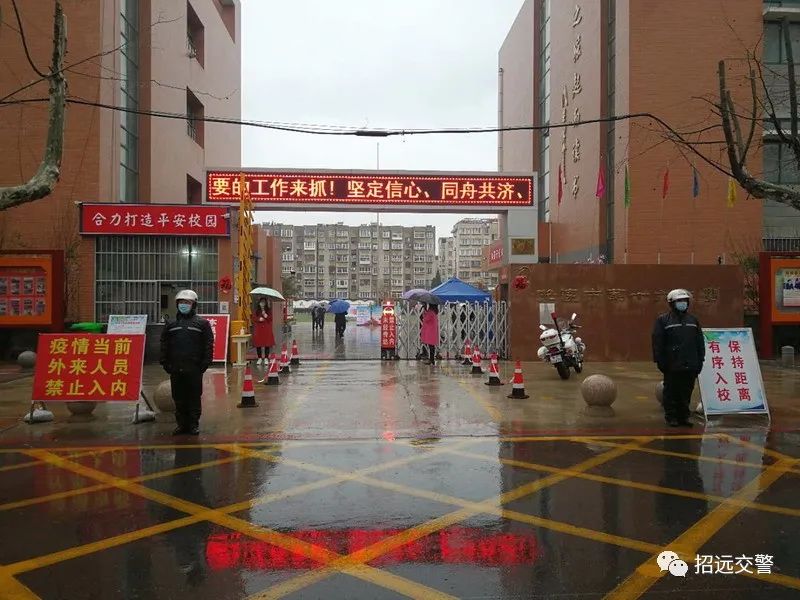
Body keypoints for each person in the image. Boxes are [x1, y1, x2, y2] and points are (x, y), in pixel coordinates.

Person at [160, 289, 214, 435]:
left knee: (194, 397)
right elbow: (164, 343)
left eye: (187, 302)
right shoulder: (171, 323)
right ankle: (181, 425)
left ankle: (193, 425)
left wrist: (205, 363)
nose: (184, 305)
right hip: (176, 367)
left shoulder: (202, 324)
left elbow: (208, 344)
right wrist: (165, 362)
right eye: (181, 302)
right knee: (178, 398)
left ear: (194, 304)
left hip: (194, 368)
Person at [651, 288, 706, 428]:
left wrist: (700, 360)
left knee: (686, 392)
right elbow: (658, 343)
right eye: (679, 301)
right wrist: (661, 362)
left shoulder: (693, 320)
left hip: (690, 363)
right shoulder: (663, 320)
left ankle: (684, 417)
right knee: (671, 392)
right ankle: (671, 417)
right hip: (672, 364)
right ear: (671, 303)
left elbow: (699, 342)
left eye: (685, 301)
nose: (683, 303)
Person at [252, 298, 275, 366]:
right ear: (259, 303)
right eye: (261, 302)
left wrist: (265, 315)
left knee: (266, 344)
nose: (262, 304)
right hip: (259, 329)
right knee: (258, 344)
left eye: (264, 302)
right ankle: (259, 358)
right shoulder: (256, 310)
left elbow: (270, 319)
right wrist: (259, 319)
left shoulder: (268, 310)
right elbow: (253, 318)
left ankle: (266, 358)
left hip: (266, 329)